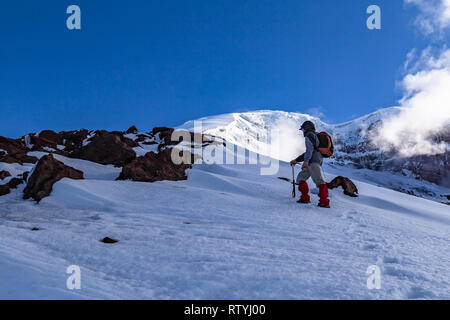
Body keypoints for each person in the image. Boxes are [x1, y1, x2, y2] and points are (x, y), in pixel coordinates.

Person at [290, 121, 330, 208]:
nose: (302, 131)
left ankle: (324, 201)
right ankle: (304, 198)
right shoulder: (314, 135)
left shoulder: (309, 135)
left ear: (307, 128)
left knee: (319, 181)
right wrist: (296, 160)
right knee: (301, 178)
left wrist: (305, 162)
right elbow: (309, 151)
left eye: (303, 129)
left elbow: (309, 151)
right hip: (314, 161)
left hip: (312, 162)